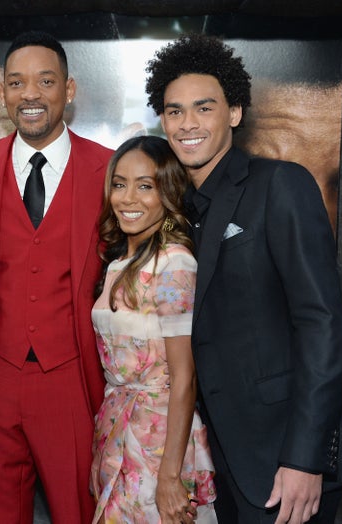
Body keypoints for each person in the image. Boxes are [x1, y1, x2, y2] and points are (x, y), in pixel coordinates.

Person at [145, 33, 342, 524]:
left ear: (235, 113)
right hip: (221, 461)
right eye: (174, 111)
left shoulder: (280, 184)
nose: (187, 123)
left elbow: (322, 325)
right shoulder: (179, 210)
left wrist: (305, 458)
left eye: (203, 107)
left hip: (285, 460)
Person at [0, 31, 112, 523]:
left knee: (78, 512)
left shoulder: (109, 171)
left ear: (69, 89)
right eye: (17, 83)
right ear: (3, 94)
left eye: (45, 81)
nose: (31, 94)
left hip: (72, 377)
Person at [90, 135, 217, 524]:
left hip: (162, 445)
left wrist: (170, 475)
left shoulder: (175, 264)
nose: (128, 198)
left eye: (145, 186)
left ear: (168, 191)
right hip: (116, 429)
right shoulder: (115, 264)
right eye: (119, 184)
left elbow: (185, 379)